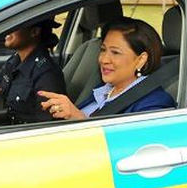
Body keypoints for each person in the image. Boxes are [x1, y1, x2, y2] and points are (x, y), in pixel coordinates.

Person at [39, 18, 176, 120]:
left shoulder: (155, 104)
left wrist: (78, 118)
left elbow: (129, 151)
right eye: (103, 50)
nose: (104, 59)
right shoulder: (103, 91)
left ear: (141, 60)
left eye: (115, 52)